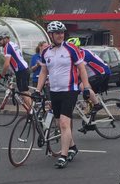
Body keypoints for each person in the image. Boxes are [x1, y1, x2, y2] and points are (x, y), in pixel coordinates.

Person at [35, 21, 93, 168]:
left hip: (69, 90)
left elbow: (81, 68)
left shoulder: (71, 49)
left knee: (64, 123)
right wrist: (37, 90)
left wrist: (86, 87)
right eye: (57, 33)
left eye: (62, 32)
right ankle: (73, 147)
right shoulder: (45, 52)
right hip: (54, 91)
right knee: (58, 123)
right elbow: (43, 72)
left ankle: (63, 155)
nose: (60, 35)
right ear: (50, 35)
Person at [0, 30, 33, 113]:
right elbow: (14, 60)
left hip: (21, 70)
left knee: (24, 93)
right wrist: (11, 72)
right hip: (24, 68)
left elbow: (6, 64)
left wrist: (2, 75)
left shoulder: (7, 47)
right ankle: (32, 110)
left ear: (6, 39)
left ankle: (32, 113)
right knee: (25, 91)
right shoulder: (13, 44)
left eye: (0, 39)